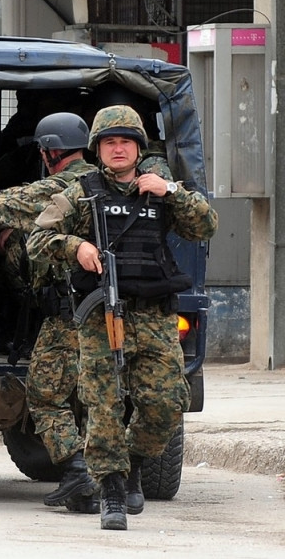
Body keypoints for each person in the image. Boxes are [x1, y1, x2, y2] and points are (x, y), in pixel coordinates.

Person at [27, 105, 218, 531]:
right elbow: (39, 239)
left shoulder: (162, 191)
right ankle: (111, 490)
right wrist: (76, 247)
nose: (118, 149)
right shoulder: (81, 191)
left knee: (167, 404)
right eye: (110, 142)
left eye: (126, 142)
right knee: (104, 404)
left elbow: (206, 226)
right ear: (98, 149)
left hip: (154, 317)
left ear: (138, 148)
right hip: (101, 314)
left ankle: (130, 464)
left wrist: (171, 192)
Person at [0, 112, 99, 512]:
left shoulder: (55, 188)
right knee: (106, 394)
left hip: (69, 314)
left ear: (49, 152)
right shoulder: (111, 184)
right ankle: (116, 480)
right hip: (116, 310)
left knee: (44, 393)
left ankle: (77, 472)